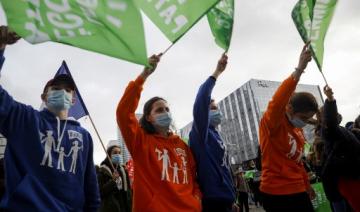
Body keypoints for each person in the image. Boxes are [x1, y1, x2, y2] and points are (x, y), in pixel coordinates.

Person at [0, 26, 100, 211]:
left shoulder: (85, 137)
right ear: (44, 97)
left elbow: (91, 189)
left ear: (73, 99)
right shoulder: (25, 119)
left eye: (68, 90)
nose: (62, 92)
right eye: (55, 89)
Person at [116, 54, 202, 212]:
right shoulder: (140, 142)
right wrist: (144, 75)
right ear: (148, 117)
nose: (165, 113)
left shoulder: (182, 146)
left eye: (167, 109)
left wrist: (196, 199)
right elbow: (123, 112)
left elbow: (193, 177)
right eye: (159, 110)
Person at [259, 42, 318, 212]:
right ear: (290, 109)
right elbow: (277, 101)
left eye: (309, 119)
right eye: (303, 118)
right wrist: (299, 69)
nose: (305, 122)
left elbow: (297, 164)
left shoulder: (298, 131)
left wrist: (307, 186)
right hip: (276, 193)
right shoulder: (272, 123)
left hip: (298, 189)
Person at [188, 54, 236, 212]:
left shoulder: (216, 135)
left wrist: (232, 198)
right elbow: (202, 98)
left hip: (226, 200)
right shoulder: (200, 134)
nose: (217, 111)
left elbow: (224, 168)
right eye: (213, 108)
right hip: (212, 201)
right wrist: (217, 72)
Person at [322, 85, 360, 211]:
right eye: (334, 114)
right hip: (349, 179)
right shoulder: (329, 130)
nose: (337, 115)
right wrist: (330, 99)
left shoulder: (343, 130)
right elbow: (331, 120)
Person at [97, 140, 132, 212]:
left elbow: (128, 191)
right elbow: (100, 192)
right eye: (115, 153)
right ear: (109, 155)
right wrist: (113, 181)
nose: (118, 155)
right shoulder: (102, 171)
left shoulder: (123, 170)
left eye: (119, 153)